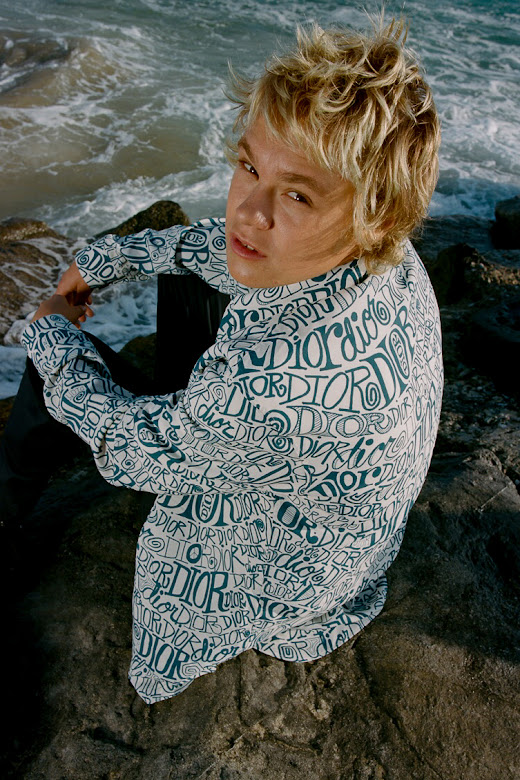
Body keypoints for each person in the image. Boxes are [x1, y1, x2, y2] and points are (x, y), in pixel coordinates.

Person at [5, 17, 443, 703]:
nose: (248, 211)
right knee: (207, 274)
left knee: (56, 369)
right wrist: (100, 263)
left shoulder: (273, 387)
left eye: (297, 194)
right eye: (249, 167)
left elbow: (126, 450)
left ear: (375, 215)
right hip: (344, 530)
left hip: (281, 577)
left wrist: (51, 329)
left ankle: (5, 516)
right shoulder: (389, 252)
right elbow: (216, 246)